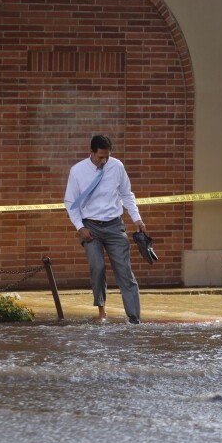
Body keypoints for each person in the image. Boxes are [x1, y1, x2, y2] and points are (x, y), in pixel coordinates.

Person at [64, 135, 145, 323]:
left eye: (107, 157)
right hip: (90, 226)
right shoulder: (77, 171)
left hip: (114, 226)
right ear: (91, 153)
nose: (104, 161)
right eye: (100, 157)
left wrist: (137, 218)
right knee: (97, 267)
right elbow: (70, 202)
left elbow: (126, 193)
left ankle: (135, 319)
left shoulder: (116, 166)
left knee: (125, 271)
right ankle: (101, 310)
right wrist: (80, 227)